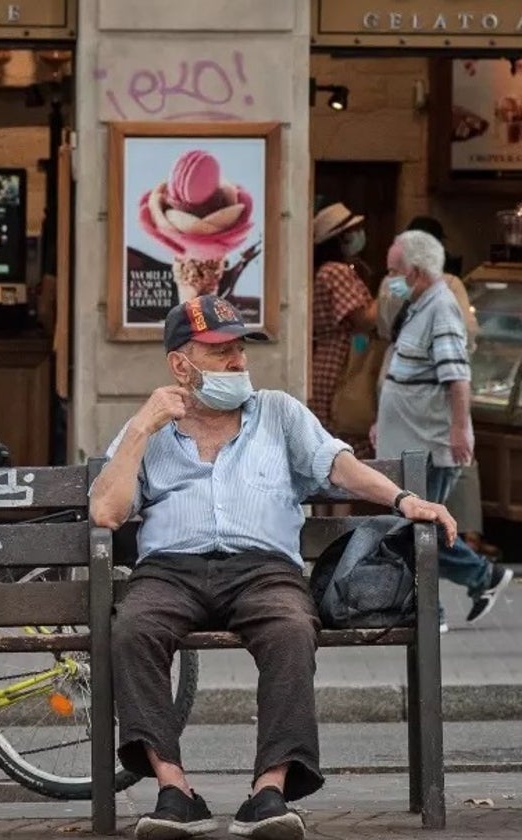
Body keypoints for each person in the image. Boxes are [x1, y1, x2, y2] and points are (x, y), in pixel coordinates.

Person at [89, 294, 457, 840]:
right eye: (221, 352)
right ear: (180, 365)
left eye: (240, 349)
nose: (239, 362)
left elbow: (340, 466)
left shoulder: (278, 413)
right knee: (132, 629)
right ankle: (175, 791)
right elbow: (105, 511)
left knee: (290, 628)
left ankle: (269, 791)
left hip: (264, 569)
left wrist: (404, 500)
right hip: (169, 570)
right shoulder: (148, 430)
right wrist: (142, 429)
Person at [372, 230, 513, 633]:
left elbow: (457, 377)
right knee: (415, 530)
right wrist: (383, 418)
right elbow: (405, 373)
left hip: (430, 446)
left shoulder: (442, 309)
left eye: (394, 272)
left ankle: (438, 608)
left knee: (417, 532)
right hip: (410, 443)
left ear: (415, 273)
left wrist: (460, 429)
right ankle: (479, 579)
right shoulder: (417, 305)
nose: (390, 279)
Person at [310, 202, 378, 456]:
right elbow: (362, 319)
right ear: (343, 238)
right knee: (343, 427)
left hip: (328, 357)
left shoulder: (326, 270)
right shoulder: (336, 271)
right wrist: (390, 291)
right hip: (341, 359)